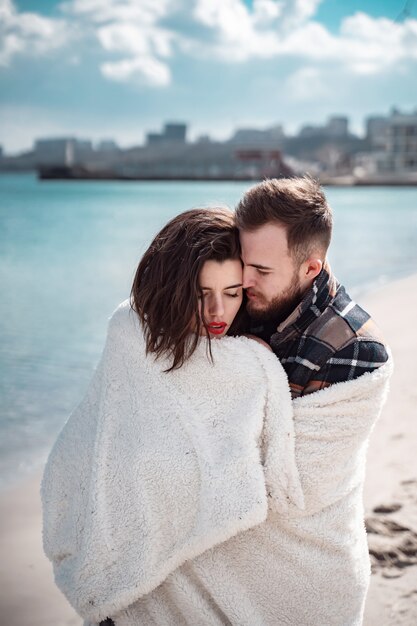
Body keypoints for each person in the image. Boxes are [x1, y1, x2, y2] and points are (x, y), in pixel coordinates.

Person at [42, 205, 392, 626]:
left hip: (295, 575)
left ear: (308, 268)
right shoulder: (133, 333)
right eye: (202, 293)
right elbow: (103, 442)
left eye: (233, 291)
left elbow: (282, 486)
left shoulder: (332, 349)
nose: (218, 312)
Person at [235, 176, 389, 398]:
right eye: (242, 263)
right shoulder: (228, 300)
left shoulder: (352, 347)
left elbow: (289, 433)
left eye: (262, 270)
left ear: (310, 269)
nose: (243, 281)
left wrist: (262, 362)